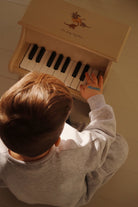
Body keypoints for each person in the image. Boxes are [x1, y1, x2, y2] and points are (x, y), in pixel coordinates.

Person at [0, 72, 128, 207]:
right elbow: (104, 133)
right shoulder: (75, 149)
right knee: (120, 146)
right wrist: (96, 98)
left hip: (26, 196)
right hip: (71, 199)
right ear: (58, 141)